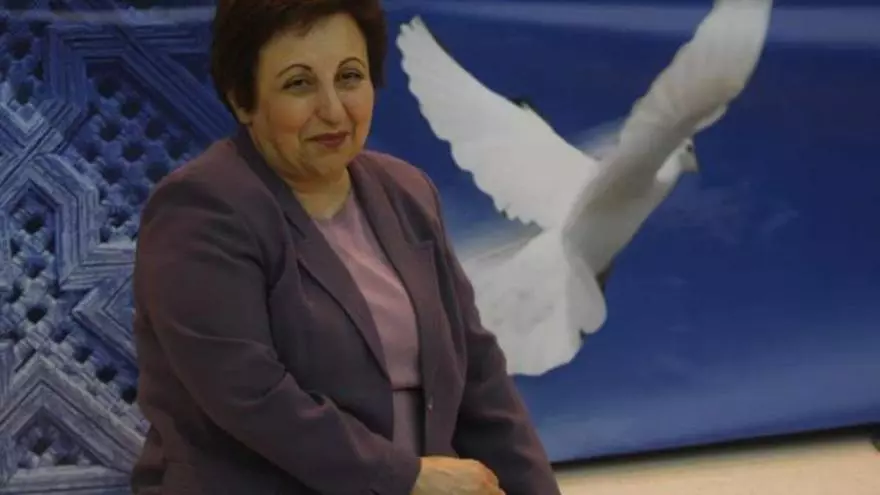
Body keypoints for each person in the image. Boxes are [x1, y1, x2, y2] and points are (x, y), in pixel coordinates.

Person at [130, 0, 561, 493]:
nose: (333, 110)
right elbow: (248, 393)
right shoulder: (201, 209)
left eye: (350, 77)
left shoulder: (408, 192)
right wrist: (406, 478)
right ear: (242, 100)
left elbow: (480, 378)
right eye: (299, 84)